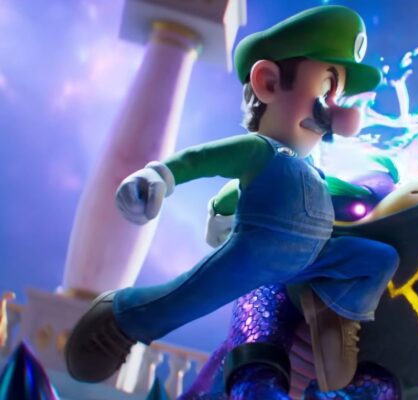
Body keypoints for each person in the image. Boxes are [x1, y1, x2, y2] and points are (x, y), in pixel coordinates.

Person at [65, 5, 399, 392]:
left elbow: (335, 196)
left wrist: (371, 197)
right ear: (269, 83)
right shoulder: (260, 150)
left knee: (378, 259)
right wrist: (160, 177)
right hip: (254, 257)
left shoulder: (313, 169)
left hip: (311, 260)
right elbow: (203, 161)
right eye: (327, 90)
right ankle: (121, 319)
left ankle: (334, 314)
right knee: (187, 298)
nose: (335, 113)